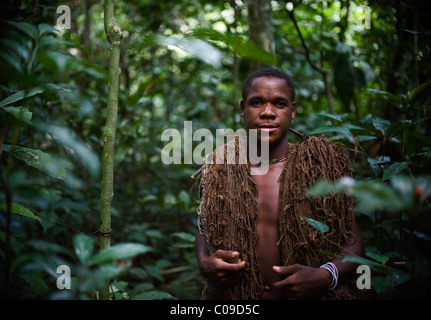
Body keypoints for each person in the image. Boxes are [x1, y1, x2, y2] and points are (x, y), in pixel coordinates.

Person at [193, 67, 364, 300]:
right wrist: (204, 260)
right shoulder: (222, 167)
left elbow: (354, 240)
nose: (268, 112)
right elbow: (204, 224)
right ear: (243, 109)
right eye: (257, 103)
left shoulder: (319, 166)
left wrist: (326, 275)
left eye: (279, 104)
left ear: (292, 111)